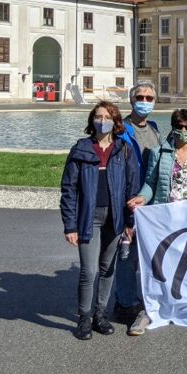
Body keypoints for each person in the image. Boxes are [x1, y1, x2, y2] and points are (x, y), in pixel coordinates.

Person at [125, 108, 187, 336]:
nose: (183, 131)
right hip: (163, 218)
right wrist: (142, 198)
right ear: (173, 127)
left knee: (185, 263)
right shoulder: (159, 153)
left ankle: (182, 306)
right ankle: (148, 309)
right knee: (156, 264)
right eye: (179, 126)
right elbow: (150, 182)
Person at [60, 101, 141, 340]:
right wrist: (70, 225)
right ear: (92, 120)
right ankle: (84, 318)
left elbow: (132, 188)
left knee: (108, 269)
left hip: (115, 218)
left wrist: (129, 222)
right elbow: (68, 189)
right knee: (89, 271)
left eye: (107, 117)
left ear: (115, 122)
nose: (102, 121)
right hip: (89, 218)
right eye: (98, 116)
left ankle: (100, 315)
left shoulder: (123, 150)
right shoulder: (81, 149)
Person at [114, 81, 161, 324]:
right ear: (131, 100)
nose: (144, 102)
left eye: (149, 98)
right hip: (130, 200)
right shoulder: (120, 130)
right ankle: (125, 304)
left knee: (147, 255)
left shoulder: (154, 129)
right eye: (140, 97)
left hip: (149, 200)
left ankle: (144, 300)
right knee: (127, 253)